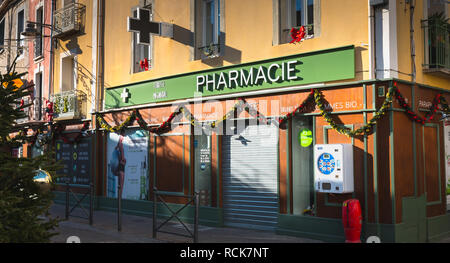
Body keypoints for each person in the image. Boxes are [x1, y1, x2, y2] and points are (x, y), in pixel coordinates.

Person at [116, 132, 126, 198]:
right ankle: (120, 197)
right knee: (121, 183)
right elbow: (122, 158)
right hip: (121, 166)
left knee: (119, 183)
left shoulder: (118, 145)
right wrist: (124, 159)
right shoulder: (121, 145)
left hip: (118, 166)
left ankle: (119, 196)